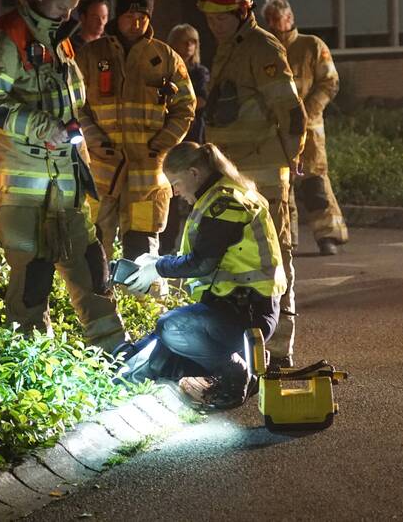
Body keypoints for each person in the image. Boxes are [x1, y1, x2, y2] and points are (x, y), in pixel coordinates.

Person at [0, 0, 127, 352]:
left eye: (71, 9)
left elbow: (71, 101)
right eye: (62, 7)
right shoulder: (7, 37)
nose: (66, 15)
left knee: (90, 262)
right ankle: (32, 359)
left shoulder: (60, 40)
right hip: (23, 186)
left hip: (66, 178)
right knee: (33, 274)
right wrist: (45, 127)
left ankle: (115, 351)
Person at [195, 0, 306, 370]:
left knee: (275, 256)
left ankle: (279, 349)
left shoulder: (262, 48)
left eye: (221, 17)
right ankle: (248, 345)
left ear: (242, 12)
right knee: (239, 259)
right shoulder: (229, 47)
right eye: (209, 18)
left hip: (264, 175)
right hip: (234, 176)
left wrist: (292, 160)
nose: (214, 25)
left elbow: (291, 114)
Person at [122, 141, 286, 409]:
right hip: (234, 307)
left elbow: (202, 263)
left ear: (194, 173)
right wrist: (157, 262)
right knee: (160, 354)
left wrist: (158, 267)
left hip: (247, 313)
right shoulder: (218, 197)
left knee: (172, 327)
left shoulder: (225, 203)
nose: (175, 192)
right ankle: (239, 364)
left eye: (176, 183)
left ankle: (235, 372)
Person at [75, 0, 195, 289]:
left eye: (143, 16)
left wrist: (161, 144)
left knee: (142, 250)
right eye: (130, 16)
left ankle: (143, 310)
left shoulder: (166, 58)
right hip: (101, 173)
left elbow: (185, 107)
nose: (136, 22)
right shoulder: (90, 56)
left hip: (147, 175)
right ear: (119, 16)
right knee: (94, 247)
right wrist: (94, 138)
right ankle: (98, 305)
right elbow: (76, 106)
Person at [262, 0, 349, 256]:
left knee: (314, 182)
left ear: (289, 18)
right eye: (268, 20)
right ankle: (286, 240)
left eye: (276, 19)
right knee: (281, 186)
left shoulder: (311, 45)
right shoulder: (264, 50)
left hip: (308, 130)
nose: (272, 24)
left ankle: (328, 235)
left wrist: (308, 113)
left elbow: (329, 82)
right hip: (275, 130)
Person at [159, 23, 210, 254]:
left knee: (194, 191)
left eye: (193, 42)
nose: (189, 46)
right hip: (171, 136)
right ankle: (167, 245)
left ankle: (194, 244)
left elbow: (202, 100)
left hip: (193, 135)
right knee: (170, 193)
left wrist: (180, 105)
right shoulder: (165, 69)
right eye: (184, 41)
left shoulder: (199, 72)